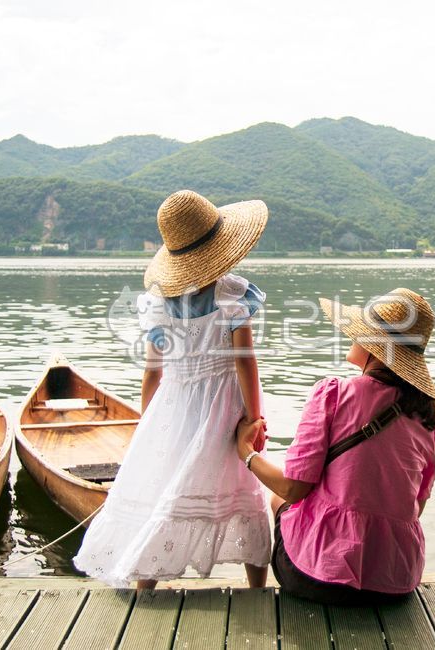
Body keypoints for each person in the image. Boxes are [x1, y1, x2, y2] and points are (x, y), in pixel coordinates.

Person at [75, 190, 271, 589]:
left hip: (173, 405)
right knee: (241, 489)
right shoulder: (232, 295)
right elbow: (244, 362)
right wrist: (254, 417)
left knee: (164, 488)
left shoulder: (158, 303)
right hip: (224, 407)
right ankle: (257, 587)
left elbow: (152, 373)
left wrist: (149, 421)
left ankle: (145, 582)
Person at [236, 287, 435, 605]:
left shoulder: (334, 394)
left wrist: (247, 454)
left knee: (279, 498)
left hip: (318, 578)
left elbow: (294, 489)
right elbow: (415, 508)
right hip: (396, 583)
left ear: (374, 347)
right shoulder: (431, 419)